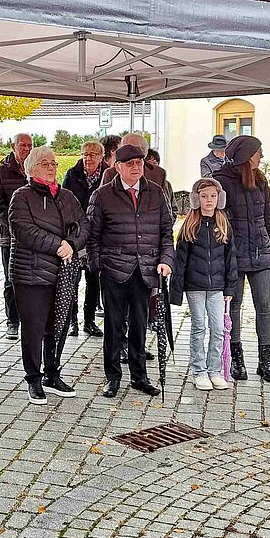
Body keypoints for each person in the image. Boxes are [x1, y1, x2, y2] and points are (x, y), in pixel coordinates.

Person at [87, 144, 174, 399]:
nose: (137, 168)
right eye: (131, 164)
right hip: (113, 270)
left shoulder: (155, 192)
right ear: (118, 167)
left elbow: (166, 232)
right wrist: (97, 266)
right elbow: (92, 236)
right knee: (114, 326)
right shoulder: (103, 195)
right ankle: (112, 377)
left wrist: (166, 259)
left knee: (140, 325)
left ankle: (139, 376)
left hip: (145, 270)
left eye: (140, 163)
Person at [9, 146, 88, 404]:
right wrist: (58, 245)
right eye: (45, 163)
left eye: (54, 163)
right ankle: (33, 378)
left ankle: (52, 374)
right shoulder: (22, 196)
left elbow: (84, 225)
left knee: (59, 325)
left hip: (64, 272)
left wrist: (73, 244)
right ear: (32, 168)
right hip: (31, 275)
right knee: (33, 329)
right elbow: (24, 230)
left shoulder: (67, 196)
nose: (52, 167)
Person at [212, 135, 270, 383]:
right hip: (234, 255)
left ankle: (265, 361)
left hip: (261, 253)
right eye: (258, 152)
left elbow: (268, 218)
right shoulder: (221, 182)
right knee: (235, 307)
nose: (262, 156)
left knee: (265, 307)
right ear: (246, 155)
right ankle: (236, 359)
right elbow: (215, 222)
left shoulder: (261, 181)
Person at [170, 178, 237, 391]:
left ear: (220, 198)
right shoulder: (190, 225)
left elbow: (231, 258)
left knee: (218, 329)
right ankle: (199, 371)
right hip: (195, 286)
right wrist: (177, 290)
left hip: (217, 286)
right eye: (204, 196)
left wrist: (230, 287)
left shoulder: (224, 223)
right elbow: (180, 260)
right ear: (196, 199)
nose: (209, 200)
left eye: (213, 196)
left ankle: (214, 370)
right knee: (199, 327)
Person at [61, 140, 106, 337]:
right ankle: (72, 322)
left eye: (93, 154)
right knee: (72, 279)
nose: (89, 158)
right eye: (86, 154)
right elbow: (62, 200)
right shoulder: (72, 174)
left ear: (101, 157)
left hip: (97, 234)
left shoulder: (108, 174)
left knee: (93, 279)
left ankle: (89, 321)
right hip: (76, 232)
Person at [0, 133, 33, 340]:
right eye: (22, 145)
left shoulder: (36, 168)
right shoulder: (1, 171)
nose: (26, 149)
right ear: (12, 146)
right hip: (10, 235)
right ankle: (12, 321)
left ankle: (29, 321)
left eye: (29, 145)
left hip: (34, 236)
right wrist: (15, 225)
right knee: (11, 279)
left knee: (31, 280)